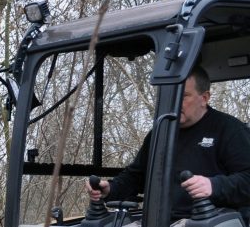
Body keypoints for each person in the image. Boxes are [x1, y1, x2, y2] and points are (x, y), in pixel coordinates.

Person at [86, 66, 250, 218]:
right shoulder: (160, 133)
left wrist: (213, 185)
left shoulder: (229, 129)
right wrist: (110, 189)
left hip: (213, 225)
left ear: (204, 98)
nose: (175, 102)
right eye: (171, 95)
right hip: (159, 225)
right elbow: (137, 176)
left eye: (183, 96)